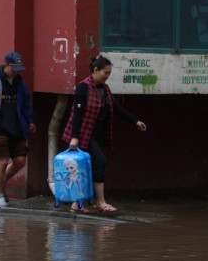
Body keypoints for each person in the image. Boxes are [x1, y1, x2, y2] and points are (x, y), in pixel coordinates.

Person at [62, 55, 147, 212]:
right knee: (99, 163)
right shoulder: (83, 87)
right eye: (105, 73)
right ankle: (100, 202)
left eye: (109, 73)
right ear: (95, 70)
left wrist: (135, 121)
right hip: (83, 135)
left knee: (88, 167)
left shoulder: (104, 89)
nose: (107, 76)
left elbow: (116, 108)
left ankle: (78, 204)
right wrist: (74, 137)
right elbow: (77, 113)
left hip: (98, 134)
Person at [0, 51, 36, 207]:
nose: (17, 72)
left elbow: (25, 104)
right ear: (6, 65)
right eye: (14, 68)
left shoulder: (20, 83)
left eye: (19, 69)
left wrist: (30, 120)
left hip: (17, 128)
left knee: (20, 161)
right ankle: (0, 195)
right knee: (3, 161)